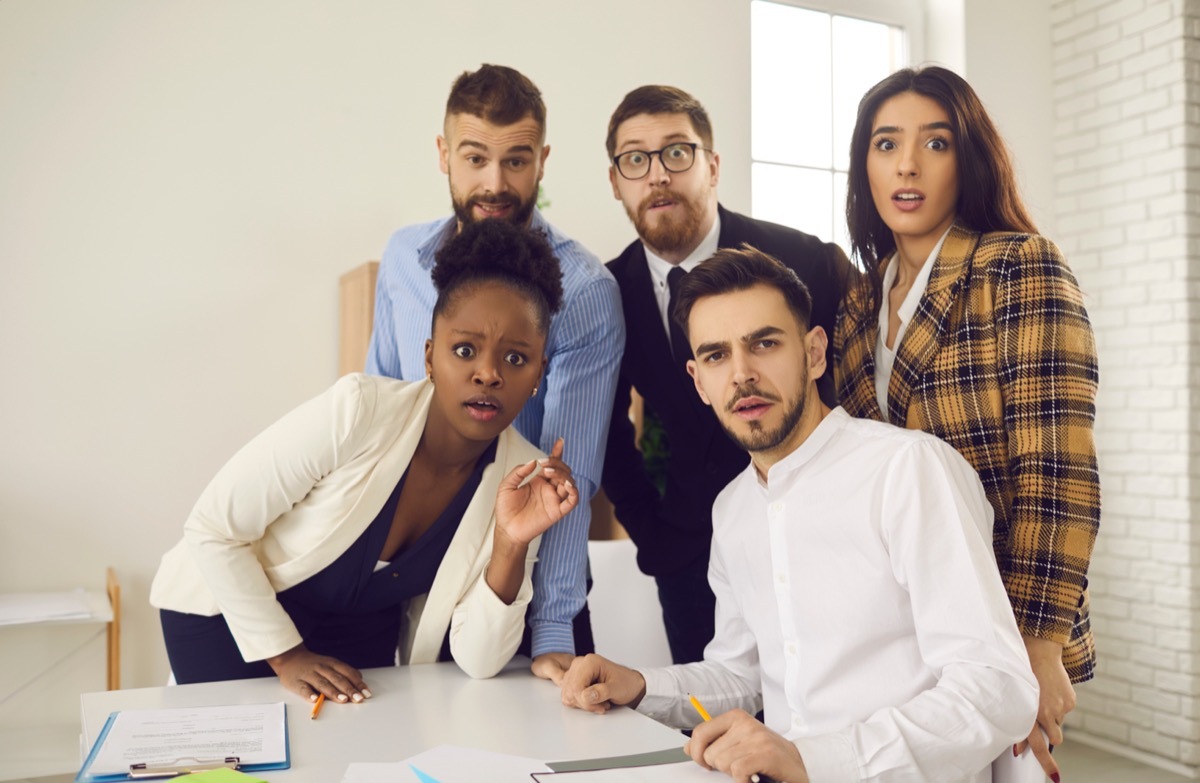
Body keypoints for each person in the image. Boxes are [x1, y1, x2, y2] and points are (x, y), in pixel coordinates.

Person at [558, 247, 1038, 782]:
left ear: (813, 354)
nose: (741, 375)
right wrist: (642, 686)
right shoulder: (734, 509)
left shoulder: (906, 471)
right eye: (717, 356)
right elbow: (741, 675)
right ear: (698, 382)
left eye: (764, 343)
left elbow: (998, 686)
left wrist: (813, 760)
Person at [151, 220, 578, 704]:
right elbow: (213, 528)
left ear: (540, 373)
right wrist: (287, 656)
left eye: (516, 360)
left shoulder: (522, 481)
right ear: (429, 356)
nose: (488, 374)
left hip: (356, 643)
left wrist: (510, 542)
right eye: (464, 350)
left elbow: (479, 661)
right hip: (230, 617)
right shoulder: (358, 410)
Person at [833, 66, 1099, 781]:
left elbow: (1058, 469)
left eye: (936, 143)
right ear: (865, 164)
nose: (908, 165)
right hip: (902, 629)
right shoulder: (859, 304)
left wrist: (1037, 643)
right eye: (886, 144)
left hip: (1006, 617)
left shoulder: (1019, 267)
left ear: (969, 157)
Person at [365, 64, 623, 680]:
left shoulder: (584, 292)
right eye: (475, 157)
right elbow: (378, 415)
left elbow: (569, 475)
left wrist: (554, 628)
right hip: (397, 567)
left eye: (516, 160)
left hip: (526, 574)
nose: (494, 183)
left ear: (542, 160)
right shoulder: (402, 260)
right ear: (444, 154)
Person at [600, 85, 852, 664]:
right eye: (635, 159)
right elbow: (608, 433)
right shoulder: (607, 293)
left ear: (712, 165)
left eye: (677, 153)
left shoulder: (806, 259)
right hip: (687, 554)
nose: (657, 174)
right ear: (616, 182)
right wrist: (654, 536)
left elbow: (850, 398)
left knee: (814, 723)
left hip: (817, 540)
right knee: (710, 732)